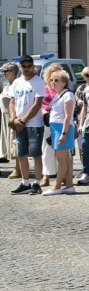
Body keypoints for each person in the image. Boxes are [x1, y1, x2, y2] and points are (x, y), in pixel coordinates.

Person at [8, 57, 45, 195]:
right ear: (20, 67)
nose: (27, 68)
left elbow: (37, 103)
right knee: (21, 154)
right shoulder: (17, 82)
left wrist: (23, 120)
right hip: (19, 123)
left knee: (36, 154)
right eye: (24, 66)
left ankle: (36, 183)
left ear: (33, 66)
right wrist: (14, 119)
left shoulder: (38, 82)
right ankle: (25, 183)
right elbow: (12, 102)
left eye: (29, 65)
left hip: (34, 124)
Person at [43, 69, 76, 195]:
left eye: (56, 80)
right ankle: (69, 185)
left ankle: (56, 186)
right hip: (56, 127)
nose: (53, 83)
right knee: (65, 159)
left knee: (61, 158)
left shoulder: (67, 95)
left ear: (64, 83)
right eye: (51, 80)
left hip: (62, 128)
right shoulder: (58, 95)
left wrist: (63, 133)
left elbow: (68, 116)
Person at [1, 62, 19, 170]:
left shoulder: (16, 84)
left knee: (14, 141)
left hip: (11, 116)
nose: (3, 74)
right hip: (4, 117)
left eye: (5, 71)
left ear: (12, 72)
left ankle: (18, 168)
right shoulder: (7, 85)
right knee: (8, 142)